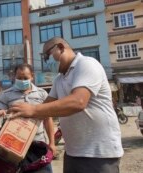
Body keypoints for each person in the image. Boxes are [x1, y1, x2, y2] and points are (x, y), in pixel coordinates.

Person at [9, 37, 124, 173]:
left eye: (47, 56)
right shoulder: (59, 79)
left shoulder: (86, 64)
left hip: (98, 153)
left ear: (61, 47)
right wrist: (16, 120)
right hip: (73, 152)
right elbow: (46, 107)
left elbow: (78, 102)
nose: (46, 61)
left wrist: (33, 109)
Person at [0, 63, 56, 173]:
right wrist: (2, 113)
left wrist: (52, 143)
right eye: (19, 78)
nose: (22, 80)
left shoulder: (42, 94)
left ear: (32, 76)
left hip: (38, 145)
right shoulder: (5, 95)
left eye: (25, 78)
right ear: (14, 76)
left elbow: (48, 119)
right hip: (14, 145)